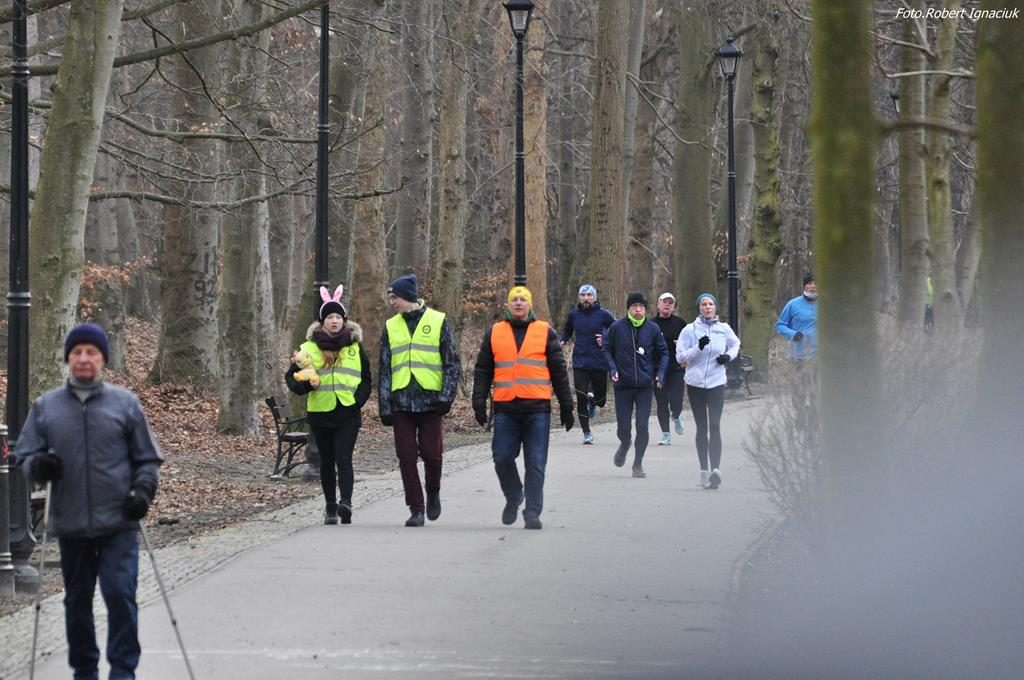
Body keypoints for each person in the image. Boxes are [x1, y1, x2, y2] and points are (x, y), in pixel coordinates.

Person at [17, 323, 163, 680]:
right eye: (77, 352)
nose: (84, 358)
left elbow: (147, 459)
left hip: (119, 521)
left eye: (91, 353)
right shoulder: (46, 407)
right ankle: (85, 671)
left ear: (103, 360)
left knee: (120, 594)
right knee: (76, 601)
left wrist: (143, 493)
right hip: (71, 523)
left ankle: (123, 671)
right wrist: (39, 466)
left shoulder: (125, 404)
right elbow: (25, 455)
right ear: (68, 358)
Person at [472, 286, 575, 530]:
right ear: (508, 304)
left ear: (530, 304)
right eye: (514, 299)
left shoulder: (545, 331)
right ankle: (514, 495)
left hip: (537, 409)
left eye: (523, 299)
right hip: (506, 408)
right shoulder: (495, 332)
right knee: (502, 457)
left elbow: (559, 372)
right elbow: (483, 369)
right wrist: (478, 400)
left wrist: (567, 406)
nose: (518, 303)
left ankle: (532, 513)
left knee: (536, 463)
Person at [378, 273, 462, 527]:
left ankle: (433, 491)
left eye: (396, 297)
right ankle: (416, 508)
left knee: (432, 455)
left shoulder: (438, 321)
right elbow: (385, 368)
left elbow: (451, 362)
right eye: (391, 298)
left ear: (409, 296)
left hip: (431, 400)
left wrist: (447, 396)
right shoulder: (391, 326)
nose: (393, 302)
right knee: (406, 456)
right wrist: (385, 405)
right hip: (401, 401)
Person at [286, 285, 371, 525]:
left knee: (344, 458)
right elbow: (291, 378)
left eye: (338, 317)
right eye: (330, 317)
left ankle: (346, 503)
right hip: (320, 413)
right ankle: (330, 507)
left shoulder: (354, 346)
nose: (334, 321)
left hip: (347, 412)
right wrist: (306, 386)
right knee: (326, 461)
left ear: (344, 321)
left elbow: (366, 378)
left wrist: (358, 401)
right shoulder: (308, 348)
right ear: (322, 321)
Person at [676, 293, 740, 490]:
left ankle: (716, 470)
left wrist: (728, 357)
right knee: (702, 427)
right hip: (695, 384)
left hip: (716, 382)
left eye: (711, 304)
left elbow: (735, 344)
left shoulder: (724, 328)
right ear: (699, 308)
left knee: (715, 425)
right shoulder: (689, 330)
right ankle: (704, 471)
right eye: (704, 304)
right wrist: (698, 347)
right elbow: (680, 357)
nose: (707, 307)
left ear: (715, 307)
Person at [603, 292, 668, 478]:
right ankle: (625, 444)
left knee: (642, 426)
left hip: (645, 386)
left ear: (645, 309)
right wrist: (612, 369)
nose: (638, 310)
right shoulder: (617, 327)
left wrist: (660, 374)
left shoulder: (652, 328)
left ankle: (638, 464)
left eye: (641, 306)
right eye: (634, 306)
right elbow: (606, 349)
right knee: (624, 429)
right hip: (623, 385)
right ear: (629, 308)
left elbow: (664, 352)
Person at [559, 284, 616, 445]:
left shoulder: (604, 315)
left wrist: (604, 338)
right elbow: (567, 331)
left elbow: (617, 330)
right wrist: (562, 341)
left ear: (594, 297)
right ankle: (586, 432)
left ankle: (594, 402)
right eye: (583, 295)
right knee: (581, 396)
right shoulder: (574, 315)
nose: (586, 298)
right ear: (579, 297)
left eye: (589, 295)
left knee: (601, 400)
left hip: (599, 362)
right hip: (580, 362)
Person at [651, 292, 687, 446]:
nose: (667, 305)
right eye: (664, 302)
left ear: (674, 306)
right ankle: (665, 434)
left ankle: (676, 415)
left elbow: (690, 343)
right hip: (657, 368)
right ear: (658, 304)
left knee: (676, 400)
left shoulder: (680, 323)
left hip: (676, 367)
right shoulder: (651, 324)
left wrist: (682, 348)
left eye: (670, 303)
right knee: (662, 401)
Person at [775, 272, 817, 359]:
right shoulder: (792, 304)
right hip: (798, 357)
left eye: (816, 283)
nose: (813, 286)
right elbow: (780, 326)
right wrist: (793, 334)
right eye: (809, 283)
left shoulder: (826, 305)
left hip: (821, 358)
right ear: (804, 286)